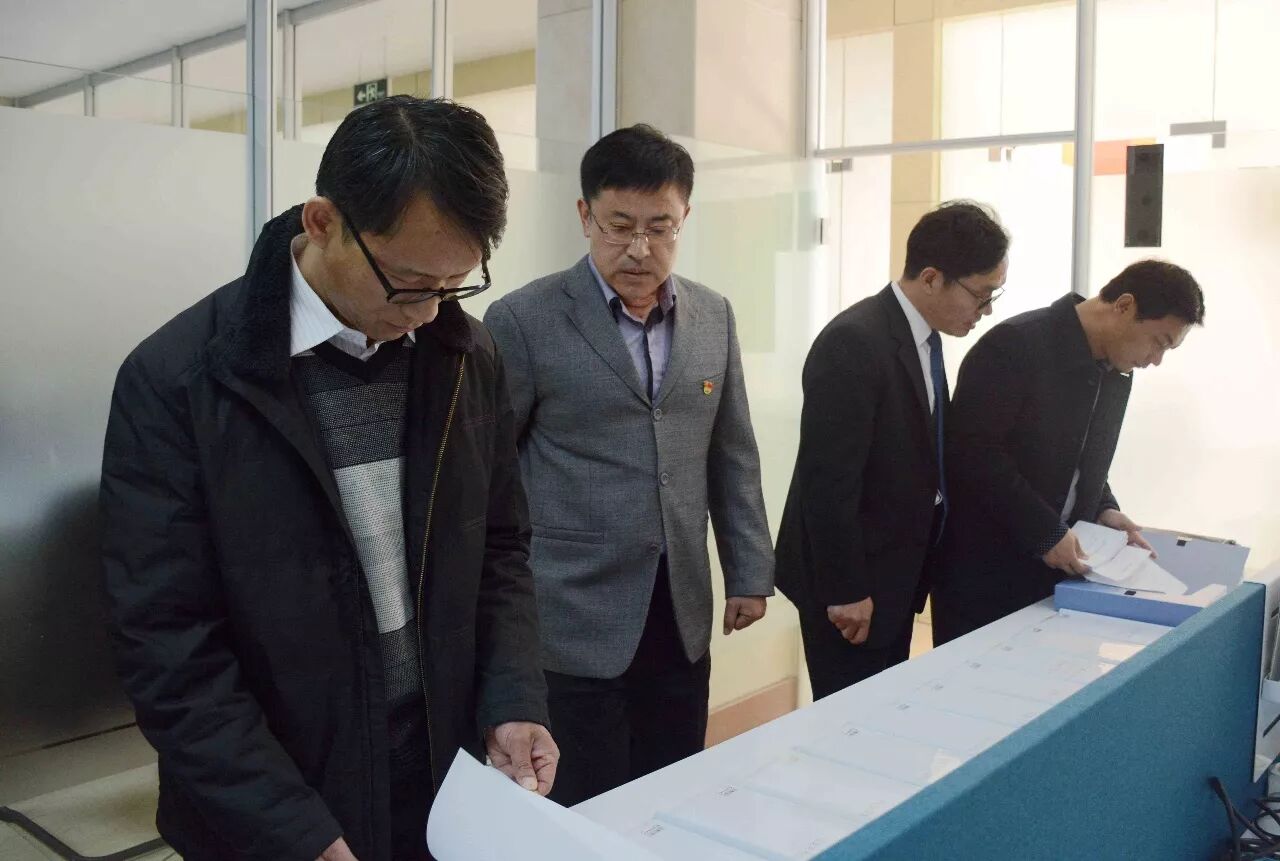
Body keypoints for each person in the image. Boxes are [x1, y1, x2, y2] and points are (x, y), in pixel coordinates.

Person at [100, 97, 557, 861]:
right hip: (275, 804)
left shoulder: (463, 355)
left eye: (453, 284)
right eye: (407, 282)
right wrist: (294, 831)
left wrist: (512, 698)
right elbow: (170, 649)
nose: (426, 313)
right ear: (322, 222)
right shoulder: (181, 381)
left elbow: (500, 549)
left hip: (441, 778)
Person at [483, 124, 774, 806]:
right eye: (619, 226)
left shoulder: (713, 315)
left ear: (684, 218)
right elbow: (491, 474)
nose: (640, 249)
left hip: (679, 609)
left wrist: (749, 569)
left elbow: (733, 452)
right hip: (569, 613)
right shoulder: (523, 320)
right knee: (583, 802)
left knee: (674, 789)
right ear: (585, 215)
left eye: (659, 227)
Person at [774, 201, 1009, 699]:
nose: (986, 310)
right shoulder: (854, 342)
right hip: (851, 585)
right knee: (849, 723)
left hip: (896, 574)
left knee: (883, 710)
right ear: (932, 278)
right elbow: (827, 481)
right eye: (981, 295)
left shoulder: (925, 339)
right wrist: (846, 590)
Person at [931, 259, 1205, 643]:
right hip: (986, 576)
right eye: (1159, 342)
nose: (1155, 360)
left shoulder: (1115, 369)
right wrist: (1046, 533)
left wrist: (1104, 507)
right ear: (1124, 306)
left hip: (1064, 575)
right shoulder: (1014, 345)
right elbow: (974, 455)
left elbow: (1080, 457)